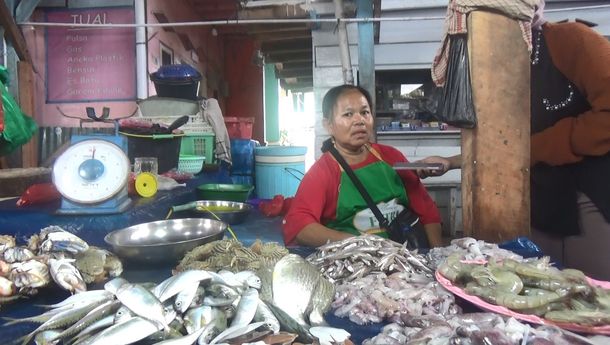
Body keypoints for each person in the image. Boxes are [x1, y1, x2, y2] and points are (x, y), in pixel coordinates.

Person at [419, 0, 610, 280]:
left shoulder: (572, 41)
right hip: (533, 201)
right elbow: (503, 144)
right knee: (538, 290)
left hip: (587, 196)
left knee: (595, 293)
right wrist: (450, 162)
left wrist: (538, 148)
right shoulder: (489, 68)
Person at [282, 84, 443, 248]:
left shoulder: (391, 156)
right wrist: (358, 244)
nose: (359, 120)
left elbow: (427, 211)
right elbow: (300, 227)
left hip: (408, 256)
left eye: (365, 112)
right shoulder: (323, 172)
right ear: (328, 125)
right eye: (348, 114)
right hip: (355, 262)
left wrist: (436, 256)